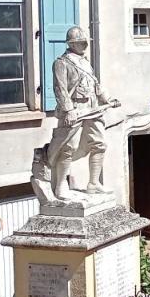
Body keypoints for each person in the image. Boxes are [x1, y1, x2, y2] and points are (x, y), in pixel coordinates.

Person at [47, 26, 119, 200]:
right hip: (75, 110)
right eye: (81, 43)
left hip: (92, 108)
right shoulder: (61, 63)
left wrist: (107, 99)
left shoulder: (85, 62)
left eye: (85, 42)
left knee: (99, 143)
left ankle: (94, 183)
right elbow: (60, 89)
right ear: (72, 44)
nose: (85, 45)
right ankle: (61, 184)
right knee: (67, 147)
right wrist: (69, 110)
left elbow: (95, 84)